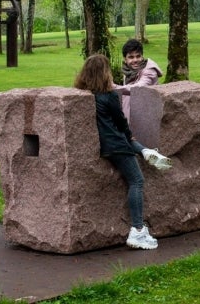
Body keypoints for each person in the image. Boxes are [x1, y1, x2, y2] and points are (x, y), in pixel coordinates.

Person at [74, 54, 172, 250]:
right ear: (104, 73)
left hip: (102, 143)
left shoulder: (85, 95)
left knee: (130, 144)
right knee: (137, 181)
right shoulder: (109, 96)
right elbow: (121, 122)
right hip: (117, 145)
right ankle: (137, 231)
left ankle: (144, 151)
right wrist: (130, 136)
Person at [115, 38, 163, 125]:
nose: (135, 60)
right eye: (131, 57)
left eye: (138, 56)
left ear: (142, 56)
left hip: (146, 122)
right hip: (129, 120)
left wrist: (113, 87)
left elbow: (138, 88)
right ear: (125, 59)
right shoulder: (128, 72)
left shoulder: (149, 71)